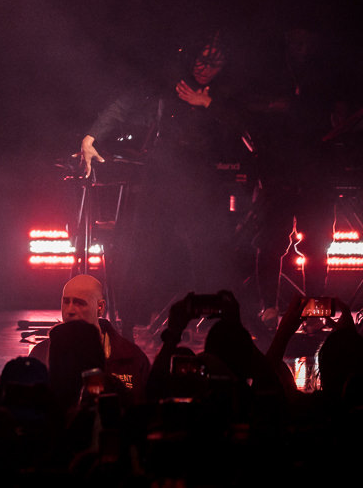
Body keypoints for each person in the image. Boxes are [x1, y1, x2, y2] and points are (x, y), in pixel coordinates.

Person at [78, 33, 250, 337]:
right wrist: (91, 137)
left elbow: (246, 126)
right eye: (201, 60)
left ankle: (221, 326)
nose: (204, 68)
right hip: (162, 178)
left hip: (202, 182)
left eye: (213, 64)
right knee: (143, 249)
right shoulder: (170, 83)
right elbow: (125, 103)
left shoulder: (227, 94)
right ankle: (128, 323)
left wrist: (207, 102)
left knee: (209, 250)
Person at [241, 23, 362, 318]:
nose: (302, 48)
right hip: (277, 169)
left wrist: (340, 117)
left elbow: (342, 111)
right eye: (297, 42)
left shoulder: (327, 74)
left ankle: (315, 312)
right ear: (287, 39)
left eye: (308, 43)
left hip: (315, 171)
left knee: (318, 243)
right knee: (271, 242)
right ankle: (269, 309)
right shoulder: (270, 71)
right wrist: (273, 107)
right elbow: (245, 105)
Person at [29, 274, 150, 399]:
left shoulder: (132, 357)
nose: (69, 310)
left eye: (79, 303)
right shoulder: (40, 353)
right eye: (66, 302)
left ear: (100, 307)